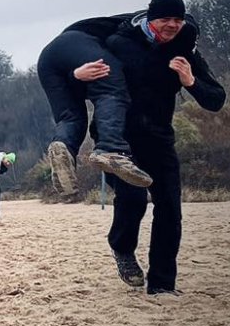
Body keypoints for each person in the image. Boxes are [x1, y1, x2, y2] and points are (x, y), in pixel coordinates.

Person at [99, 0, 226, 295]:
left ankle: (162, 284)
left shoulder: (184, 50)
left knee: (169, 208)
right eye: (165, 19)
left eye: (178, 19)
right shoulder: (120, 43)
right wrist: (79, 73)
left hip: (159, 137)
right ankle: (123, 249)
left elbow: (216, 99)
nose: (172, 25)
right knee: (133, 200)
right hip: (120, 139)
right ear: (149, 19)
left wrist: (190, 81)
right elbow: (128, 72)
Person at [38, 12, 155, 197]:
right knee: (113, 89)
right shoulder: (143, 23)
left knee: (71, 117)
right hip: (76, 44)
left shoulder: (148, 24)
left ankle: (62, 146)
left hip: (49, 59)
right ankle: (111, 148)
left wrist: (74, 75)